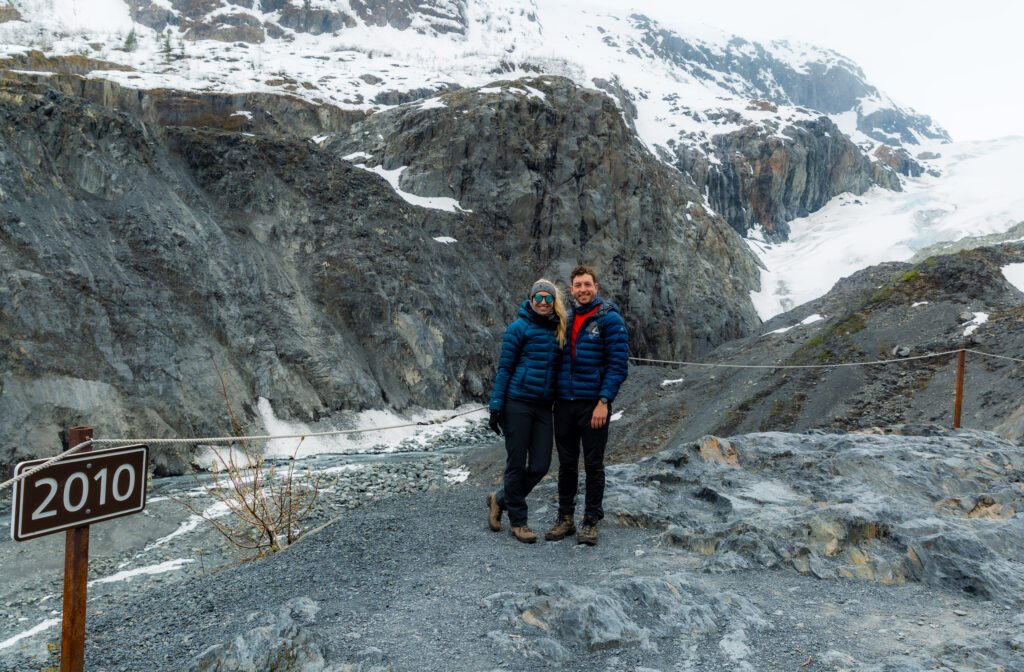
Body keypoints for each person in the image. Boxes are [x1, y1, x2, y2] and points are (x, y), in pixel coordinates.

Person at [545, 265, 629, 546]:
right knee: (567, 464)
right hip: (564, 404)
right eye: (578, 285)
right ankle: (565, 518)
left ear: (597, 287)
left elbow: (618, 365)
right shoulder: (565, 319)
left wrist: (604, 401)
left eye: (587, 285)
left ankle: (591, 521)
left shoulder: (609, 319)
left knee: (594, 464)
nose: (583, 289)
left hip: (593, 404)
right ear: (571, 290)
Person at [486, 279, 567, 543]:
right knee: (517, 464)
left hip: (544, 407)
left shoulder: (559, 329)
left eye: (547, 298)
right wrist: (496, 406)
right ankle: (519, 522)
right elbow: (505, 369)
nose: (542, 303)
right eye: (538, 298)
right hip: (517, 403)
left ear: (553, 301)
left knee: (541, 464)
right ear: (531, 299)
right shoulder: (518, 328)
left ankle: (500, 499)